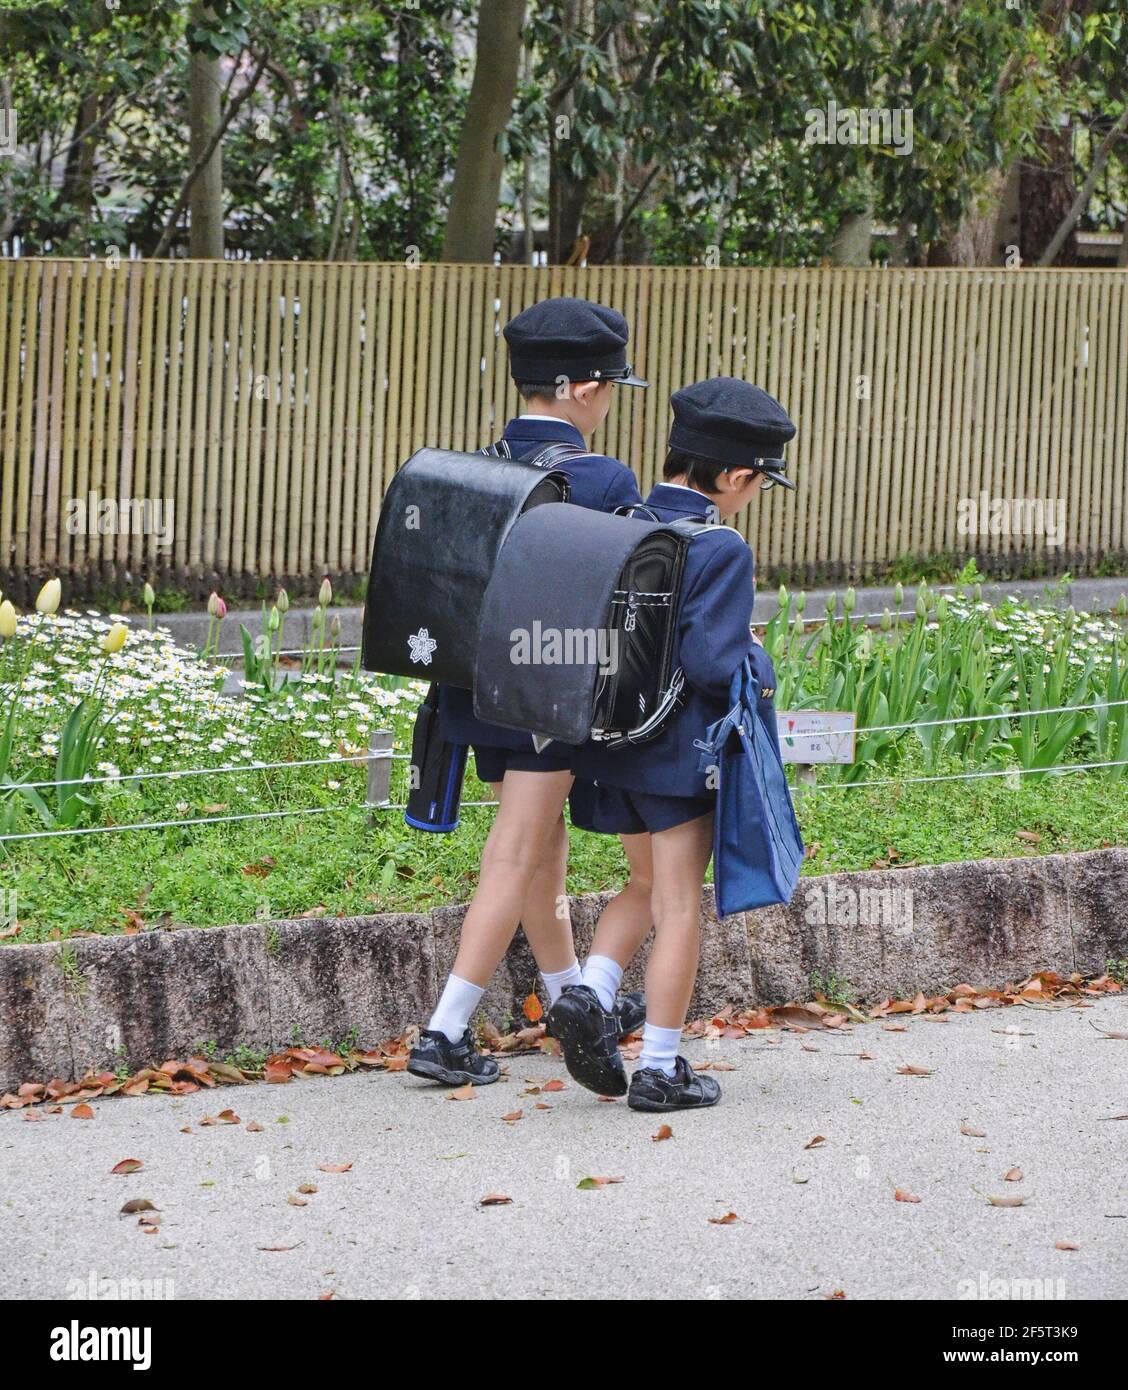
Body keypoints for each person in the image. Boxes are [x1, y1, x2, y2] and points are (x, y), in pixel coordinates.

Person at [408, 297, 654, 1087]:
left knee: (542, 854)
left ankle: (568, 1001)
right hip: (552, 703)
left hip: (479, 701)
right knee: (515, 854)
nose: (612, 400)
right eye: (613, 385)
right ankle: (444, 1033)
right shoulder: (603, 479)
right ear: (583, 389)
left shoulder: (478, 468)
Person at [549, 377, 797, 1113]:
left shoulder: (619, 517)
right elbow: (716, 665)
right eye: (756, 483)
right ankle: (658, 1069)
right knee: (682, 904)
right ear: (736, 476)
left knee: (645, 886)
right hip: (677, 760)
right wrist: (761, 662)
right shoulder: (720, 546)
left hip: (609, 746)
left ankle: (592, 993)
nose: (750, 496)